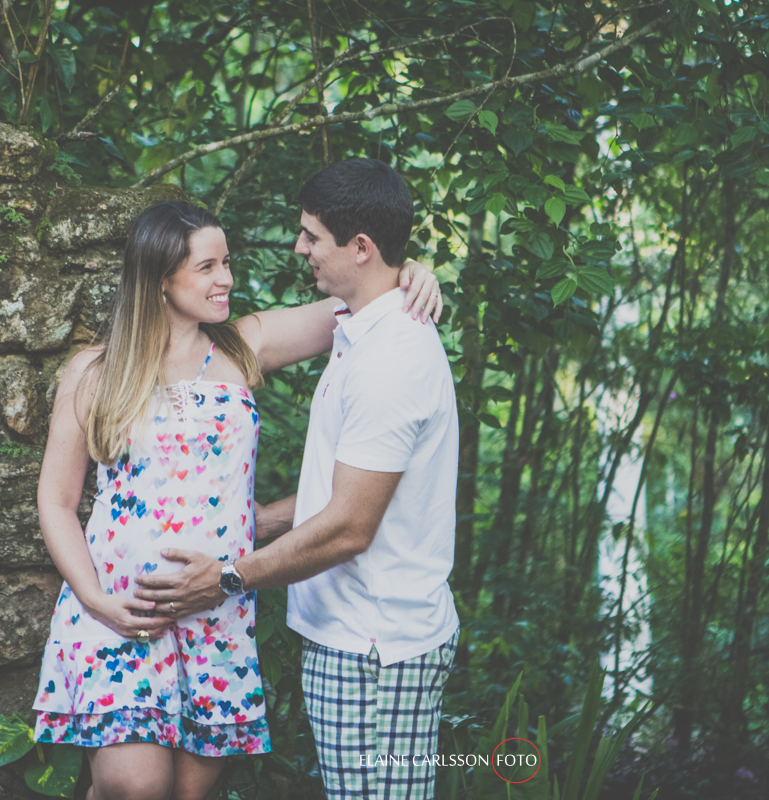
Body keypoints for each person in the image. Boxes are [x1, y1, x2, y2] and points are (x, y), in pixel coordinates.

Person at [31, 198, 443, 800]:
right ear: (159, 277)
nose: (226, 278)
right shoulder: (95, 370)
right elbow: (56, 500)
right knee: (133, 787)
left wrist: (411, 273)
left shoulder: (243, 345)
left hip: (216, 612)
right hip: (122, 610)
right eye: (207, 267)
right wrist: (97, 601)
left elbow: (364, 294)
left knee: (188, 794)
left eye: (226, 262)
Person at [136, 158, 460, 800]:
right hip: (349, 637)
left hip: (375, 645)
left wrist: (226, 576)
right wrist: (257, 521)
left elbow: (349, 527)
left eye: (311, 235)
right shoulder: (359, 327)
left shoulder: (388, 357)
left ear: (360, 247)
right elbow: (349, 494)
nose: (298, 247)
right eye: (207, 266)